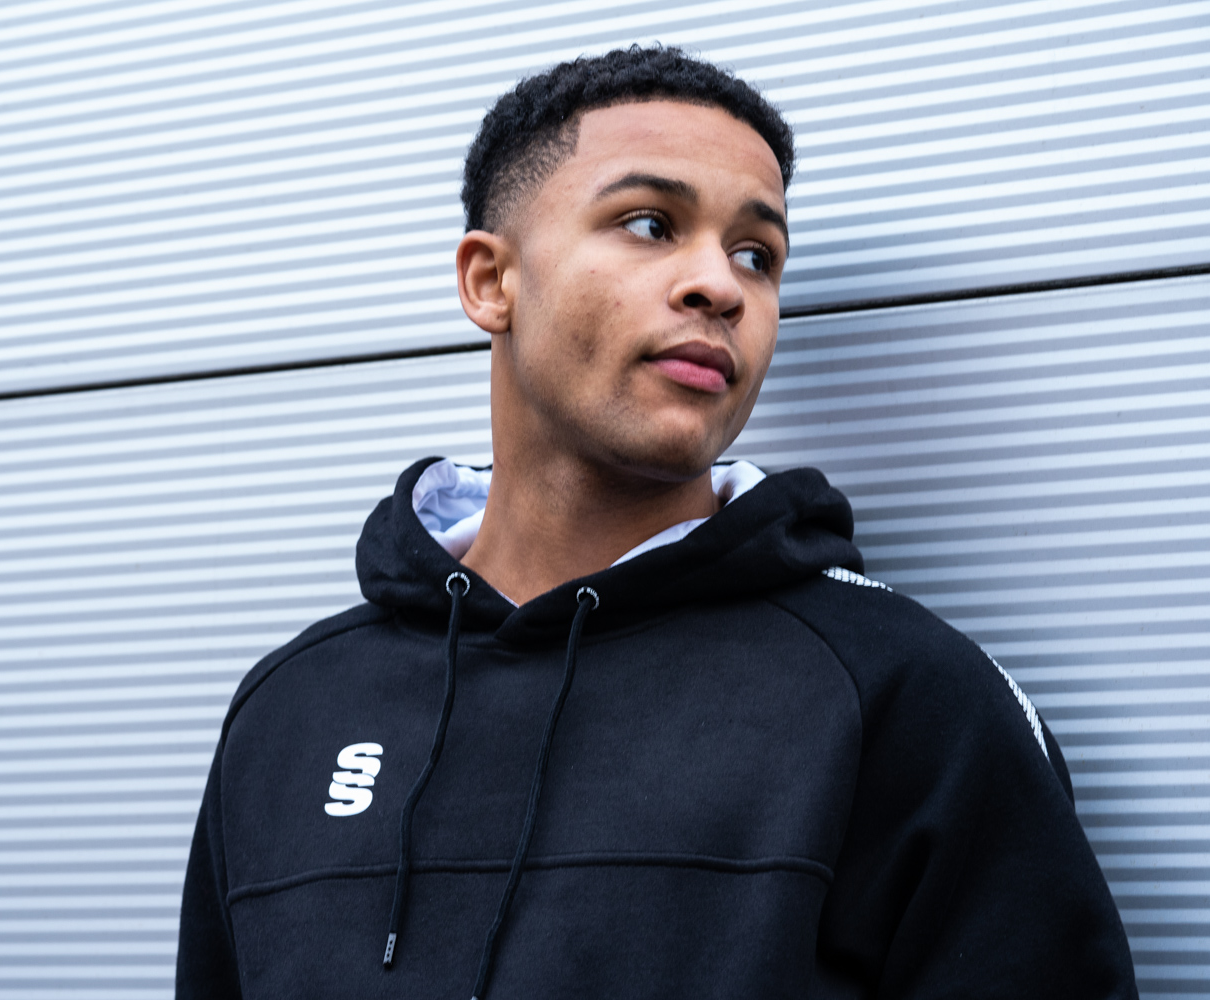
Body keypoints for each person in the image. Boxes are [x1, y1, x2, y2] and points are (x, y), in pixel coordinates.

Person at [176, 46, 1137, 999]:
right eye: (650, 224)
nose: (720, 285)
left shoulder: (904, 696)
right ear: (490, 282)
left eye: (757, 255)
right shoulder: (291, 710)